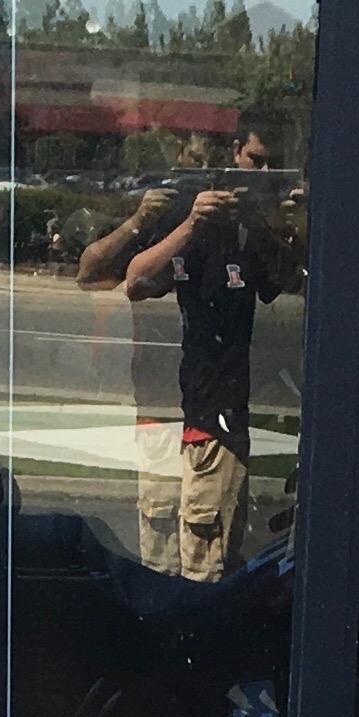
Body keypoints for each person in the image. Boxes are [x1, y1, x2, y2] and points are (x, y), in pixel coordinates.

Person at [76, 135, 294, 580]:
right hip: (159, 405)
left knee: (205, 561)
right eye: (184, 171)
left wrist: (282, 219)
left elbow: (292, 280)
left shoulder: (244, 226)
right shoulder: (173, 217)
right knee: (157, 556)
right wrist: (161, 219)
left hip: (213, 410)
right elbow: (121, 278)